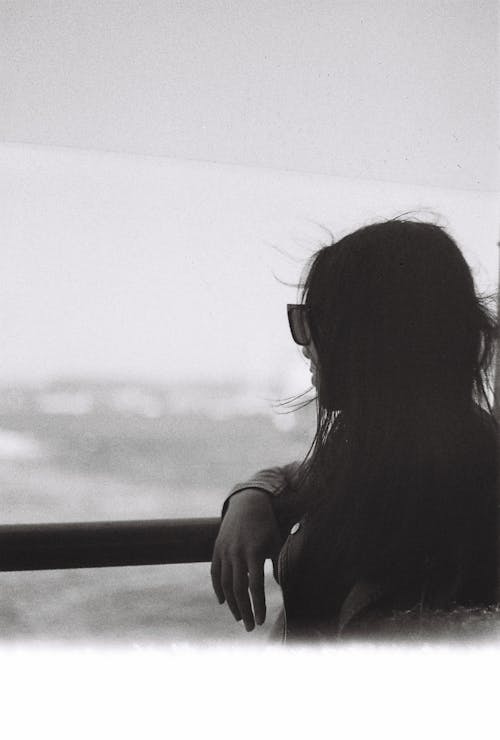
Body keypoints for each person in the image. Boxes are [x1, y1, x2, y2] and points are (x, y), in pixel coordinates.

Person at [210, 219, 498, 643]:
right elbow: (296, 474)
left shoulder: (467, 480)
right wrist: (250, 497)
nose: (304, 344)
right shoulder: (373, 455)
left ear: (371, 337)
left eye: (314, 321)